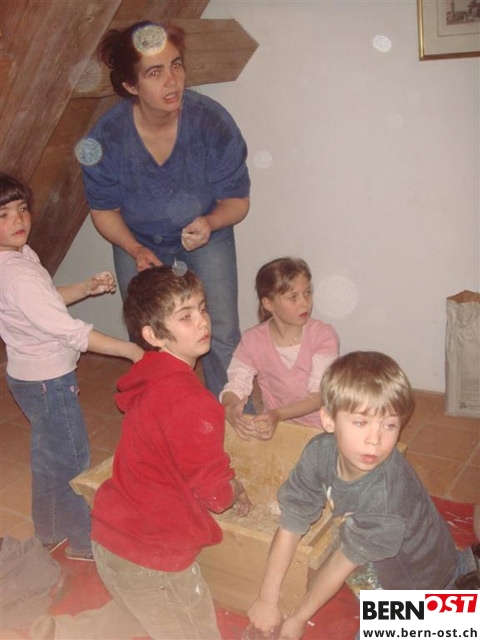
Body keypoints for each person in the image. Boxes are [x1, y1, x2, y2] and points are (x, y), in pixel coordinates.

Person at [29, 265, 251, 640]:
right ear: (153, 335)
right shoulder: (191, 401)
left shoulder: (152, 374)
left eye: (202, 308)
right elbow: (215, 494)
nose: (202, 321)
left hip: (113, 537)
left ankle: (55, 634)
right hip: (151, 555)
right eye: (185, 316)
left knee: (138, 614)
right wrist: (236, 488)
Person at [247, 351, 478, 640]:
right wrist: (267, 598)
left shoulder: (385, 497)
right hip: (392, 550)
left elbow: (341, 561)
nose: (375, 439)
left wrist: (298, 618)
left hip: (422, 586)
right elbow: (292, 522)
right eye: (360, 422)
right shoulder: (319, 452)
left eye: (389, 425)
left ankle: (460, 607)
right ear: (329, 420)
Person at [77, 20, 251, 399]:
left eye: (176, 65)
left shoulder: (212, 123)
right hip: (137, 240)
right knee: (149, 336)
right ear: (131, 86)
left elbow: (237, 202)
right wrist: (135, 249)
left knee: (220, 331)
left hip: (208, 236)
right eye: (155, 72)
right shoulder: (106, 138)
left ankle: (230, 415)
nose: (172, 81)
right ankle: (162, 412)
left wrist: (210, 222)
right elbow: (104, 211)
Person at [0, 173, 143, 562]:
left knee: (49, 456)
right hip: (48, 381)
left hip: (28, 377)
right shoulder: (17, 275)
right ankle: (84, 542)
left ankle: (48, 530)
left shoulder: (18, 256)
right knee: (72, 460)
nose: (18, 220)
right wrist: (130, 349)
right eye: (4, 215)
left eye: (22, 209)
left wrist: (84, 288)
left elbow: (45, 300)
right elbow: (70, 332)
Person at [221, 257, 339, 440]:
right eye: (293, 297)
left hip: (322, 430)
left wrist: (278, 414)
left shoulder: (323, 336)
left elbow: (319, 397)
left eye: (307, 293)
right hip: (277, 429)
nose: (305, 303)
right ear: (268, 304)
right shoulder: (253, 340)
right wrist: (230, 407)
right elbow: (237, 384)